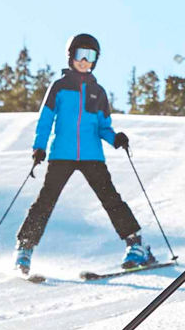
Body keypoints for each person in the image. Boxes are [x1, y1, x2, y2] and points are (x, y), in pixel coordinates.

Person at [15, 33, 156, 276]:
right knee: (46, 200)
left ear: (95, 61)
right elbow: (46, 119)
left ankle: (136, 245)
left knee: (110, 198)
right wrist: (39, 147)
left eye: (89, 56)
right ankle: (24, 248)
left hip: (92, 155)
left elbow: (103, 126)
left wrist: (115, 138)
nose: (84, 60)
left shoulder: (98, 92)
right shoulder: (59, 88)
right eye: (80, 54)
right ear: (70, 57)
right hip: (62, 154)